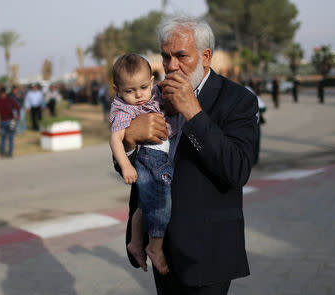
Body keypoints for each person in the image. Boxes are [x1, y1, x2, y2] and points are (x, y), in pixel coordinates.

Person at [114, 15, 258, 294]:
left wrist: (193, 112)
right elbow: (127, 167)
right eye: (165, 56)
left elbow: (237, 170)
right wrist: (131, 138)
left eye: (181, 56)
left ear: (206, 57)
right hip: (159, 245)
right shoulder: (149, 97)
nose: (171, 66)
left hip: (206, 252)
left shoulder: (238, 100)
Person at [109, 54, 177, 275]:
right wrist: (126, 166)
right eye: (129, 91)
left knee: (146, 201)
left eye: (143, 87)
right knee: (161, 200)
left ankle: (135, 242)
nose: (138, 95)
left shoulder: (155, 93)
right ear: (117, 89)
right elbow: (115, 140)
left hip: (158, 154)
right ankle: (155, 246)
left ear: (152, 80)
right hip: (150, 157)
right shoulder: (123, 109)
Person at [0, 87, 20, 157]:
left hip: (3, 121)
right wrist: (18, 116)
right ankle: (10, 153)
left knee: (3, 138)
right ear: (5, 93)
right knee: (11, 138)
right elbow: (18, 107)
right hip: (10, 121)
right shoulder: (10, 100)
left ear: (0, 93)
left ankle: (3, 153)